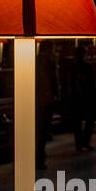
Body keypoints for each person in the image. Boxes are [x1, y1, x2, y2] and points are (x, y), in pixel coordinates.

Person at [35, 41, 59, 170]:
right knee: (42, 131)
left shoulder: (35, 59)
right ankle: (39, 158)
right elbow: (54, 81)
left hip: (36, 99)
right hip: (46, 100)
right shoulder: (50, 61)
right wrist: (57, 97)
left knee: (38, 131)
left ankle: (37, 157)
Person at [69, 45, 96, 151]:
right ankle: (85, 141)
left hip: (76, 97)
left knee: (77, 122)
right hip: (87, 97)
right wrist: (94, 95)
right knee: (89, 121)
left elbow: (71, 82)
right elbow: (91, 83)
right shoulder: (87, 66)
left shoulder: (72, 66)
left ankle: (79, 144)